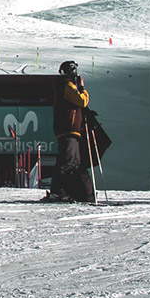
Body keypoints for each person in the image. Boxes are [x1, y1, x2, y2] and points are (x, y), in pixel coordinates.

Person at [47, 61, 95, 202]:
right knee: (66, 163)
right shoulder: (67, 86)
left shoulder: (64, 85)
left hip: (70, 130)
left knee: (74, 164)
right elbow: (82, 101)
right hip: (69, 129)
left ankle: (74, 192)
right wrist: (82, 88)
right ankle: (58, 191)